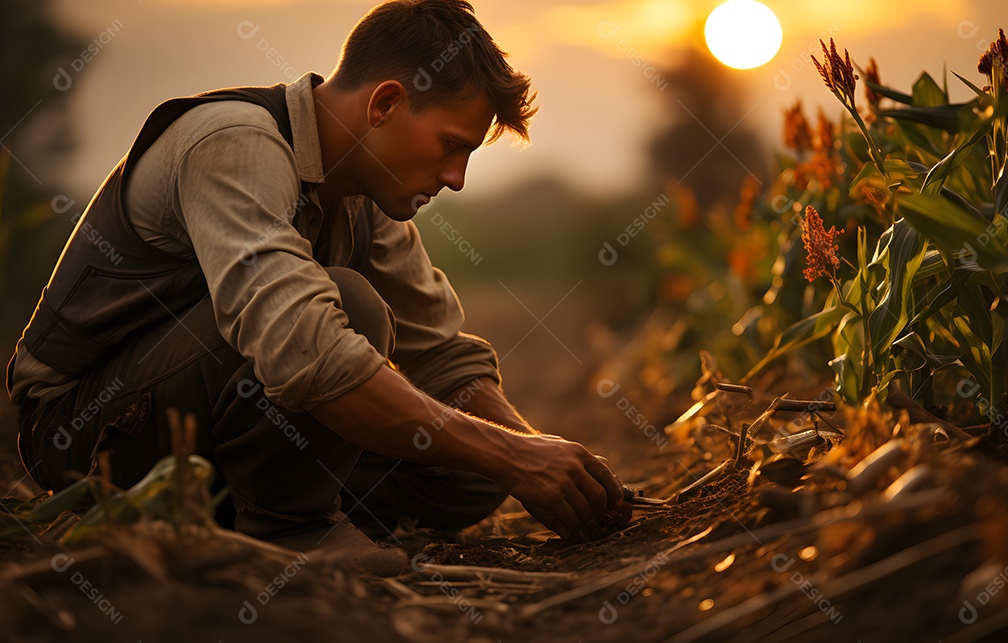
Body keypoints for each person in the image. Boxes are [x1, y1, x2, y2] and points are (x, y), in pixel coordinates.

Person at [6, 0, 629, 576]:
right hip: (82, 431)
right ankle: (291, 530)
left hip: (197, 422)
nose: (456, 178)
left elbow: (442, 356)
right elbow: (304, 345)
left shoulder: (367, 190)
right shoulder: (234, 145)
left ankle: (234, 513)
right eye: (451, 146)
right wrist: (515, 456)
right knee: (347, 305)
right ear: (384, 104)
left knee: (468, 477)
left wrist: (538, 454)